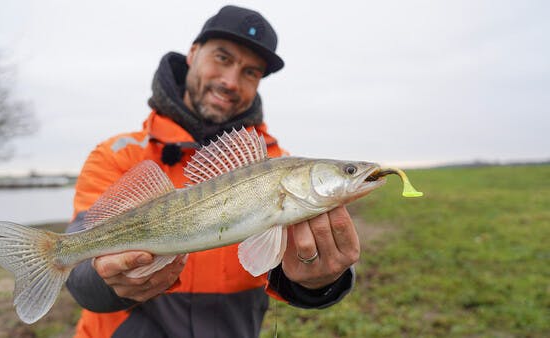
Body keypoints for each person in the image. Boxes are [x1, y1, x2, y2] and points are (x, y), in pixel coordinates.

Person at [66, 5, 361, 338]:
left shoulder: (278, 164)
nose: (231, 81)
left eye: (251, 72)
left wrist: (322, 281)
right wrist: (106, 278)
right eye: (222, 58)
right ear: (193, 53)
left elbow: (292, 272)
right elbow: (79, 278)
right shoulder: (118, 155)